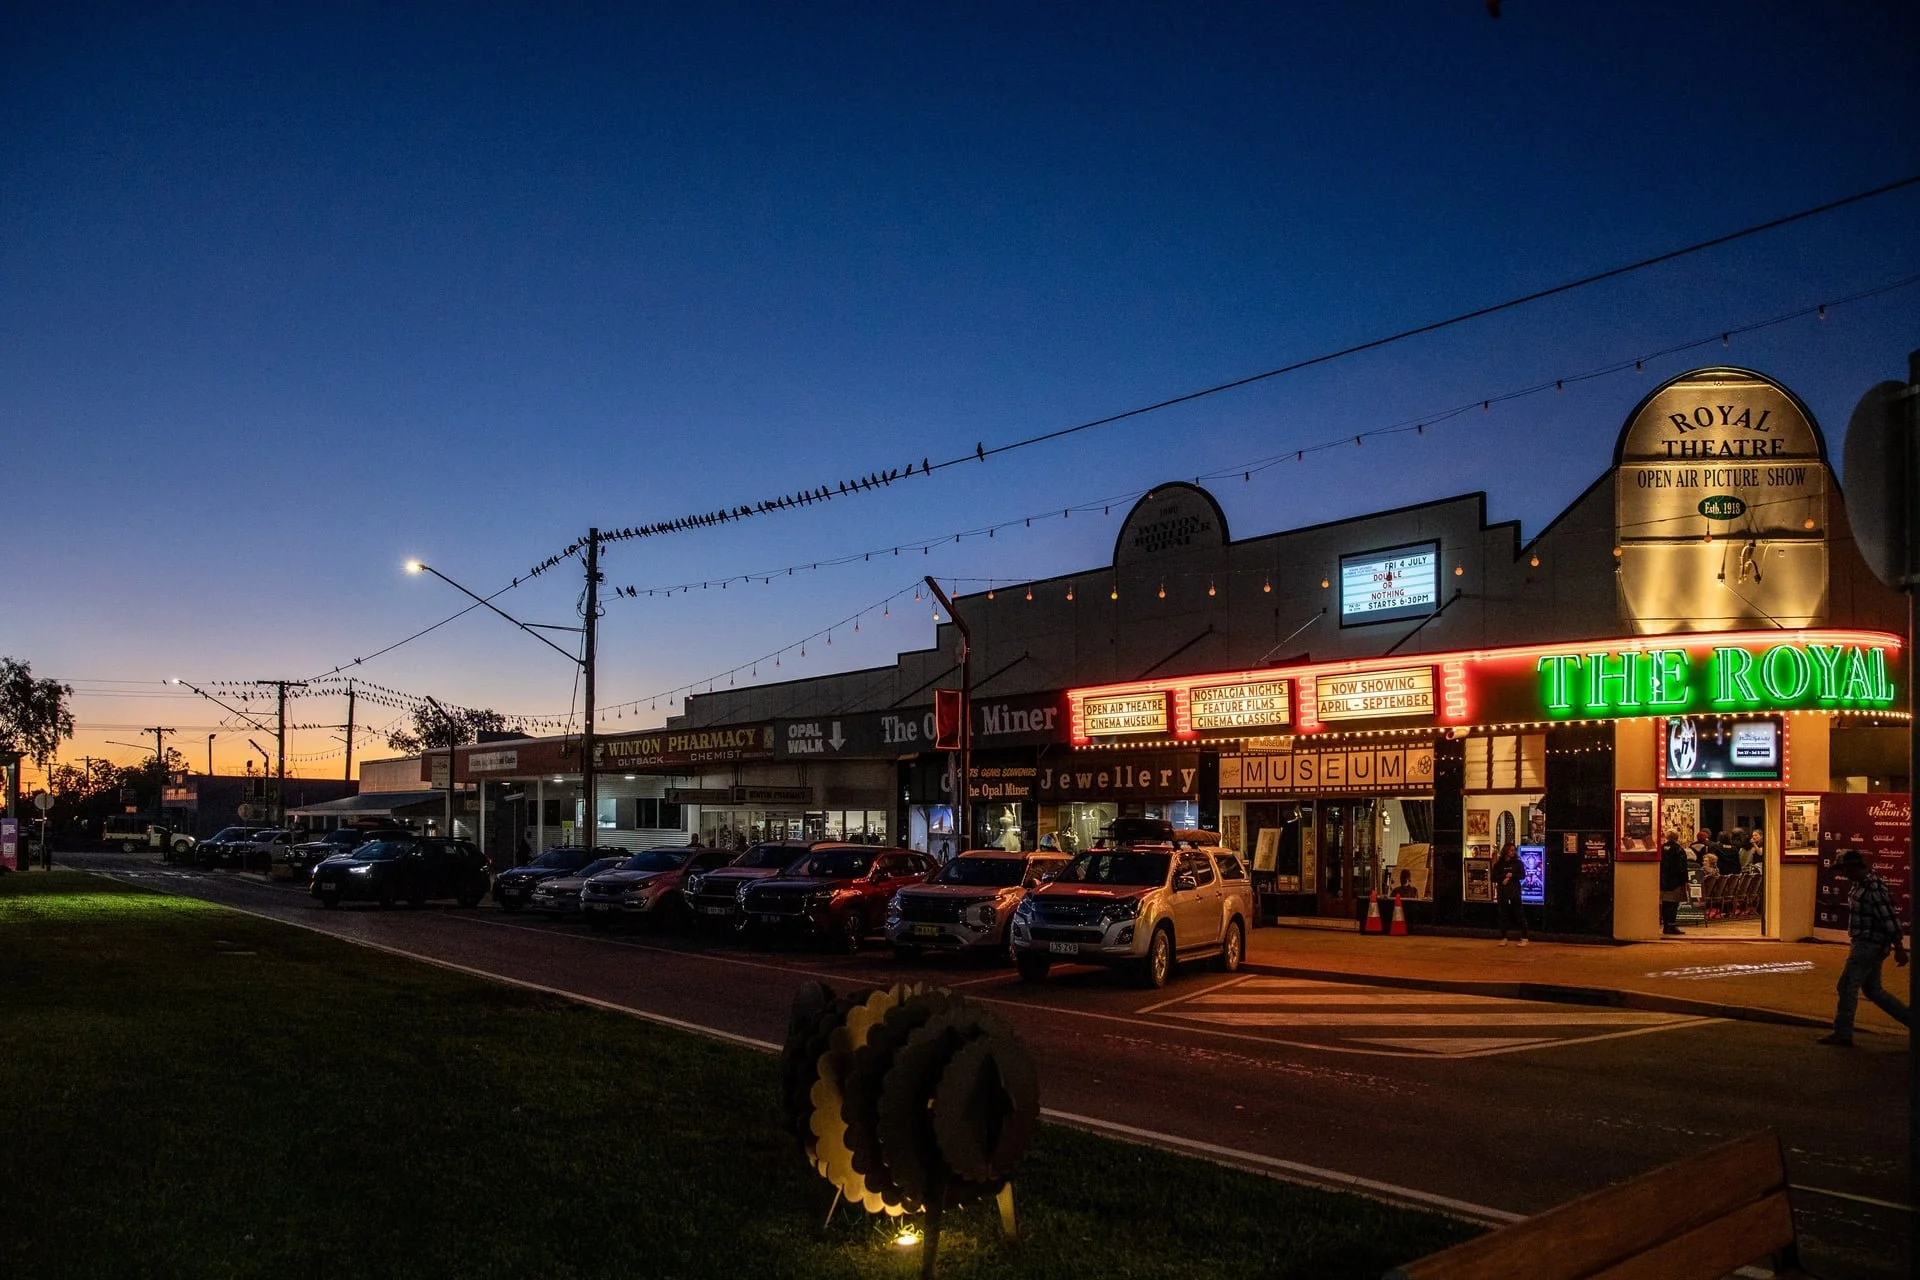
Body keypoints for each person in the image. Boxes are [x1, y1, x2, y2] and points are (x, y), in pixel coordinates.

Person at [1818, 850, 1911, 1046]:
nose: (1843, 874)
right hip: (1868, 944)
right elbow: (1873, 913)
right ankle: (1911, 1020)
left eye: (1844, 869)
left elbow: (1889, 918)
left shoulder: (1873, 886)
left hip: (1869, 944)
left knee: (1846, 985)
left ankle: (1843, 1033)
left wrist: (1899, 948)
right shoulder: (1861, 885)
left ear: (1854, 866)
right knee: (1873, 990)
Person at [1492, 842, 1527, 946]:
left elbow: (1522, 875)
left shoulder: (1517, 863)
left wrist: (1512, 876)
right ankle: (1504, 937)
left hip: (1514, 891)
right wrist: (1504, 876)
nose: (1513, 852)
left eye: (1514, 850)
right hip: (1503, 892)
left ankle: (1524, 937)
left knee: (1519, 913)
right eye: (1511, 850)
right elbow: (1493, 877)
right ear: (1506, 851)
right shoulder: (1499, 864)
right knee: (1503, 914)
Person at [1658, 831, 1688, 935]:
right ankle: (1672, 925)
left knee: (1665, 904)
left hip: (1663, 881)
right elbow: (1682, 866)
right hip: (1675, 881)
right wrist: (1684, 880)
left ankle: (1666, 926)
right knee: (1674, 904)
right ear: (1677, 837)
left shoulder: (1661, 848)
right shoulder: (1678, 849)